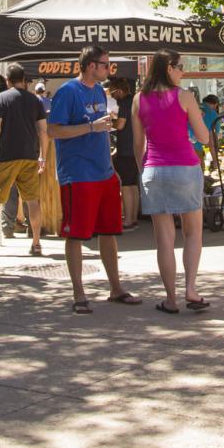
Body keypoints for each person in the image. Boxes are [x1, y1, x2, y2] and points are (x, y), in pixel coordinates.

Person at [48, 46, 140, 313]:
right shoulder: (68, 92)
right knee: (76, 234)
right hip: (78, 174)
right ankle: (79, 293)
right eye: (105, 65)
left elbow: (101, 130)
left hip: (104, 173)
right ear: (90, 65)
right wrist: (90, 127)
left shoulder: (100, 91)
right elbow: (54, 130)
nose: (108, 69)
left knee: (109, 231)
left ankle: (116, 288)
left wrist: (111, 167)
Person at [134, 51, 210, 314]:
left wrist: (142, 170)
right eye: (179, 67)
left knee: (164, 239)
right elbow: (204, 137)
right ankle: (191, 288)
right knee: (192, 232)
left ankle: (170, 299)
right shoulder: (185, 96)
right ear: (168, 68)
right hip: (185, 168)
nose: (182, 72)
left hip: (153, 170)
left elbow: (137, 144)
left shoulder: (138, 99)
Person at [0, 64, 47, 256]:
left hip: (6, 156)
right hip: (30, 156)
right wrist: (42, 156)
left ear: (7, 80)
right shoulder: (35, 101)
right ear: (24, 79)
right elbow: (43, 131)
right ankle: (36, 243)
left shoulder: (1, 99)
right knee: (32, 201)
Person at [106, 76, 140, 230]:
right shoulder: (135, 100)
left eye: (113, 93)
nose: (113, 97)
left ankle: (127, 219)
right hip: (136, 148)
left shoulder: (125, 102)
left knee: (126, 185)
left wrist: (108, 122)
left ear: (119, 91)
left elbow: (120, 125)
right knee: (133, 185)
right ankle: (133, 218)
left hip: (126, 148)